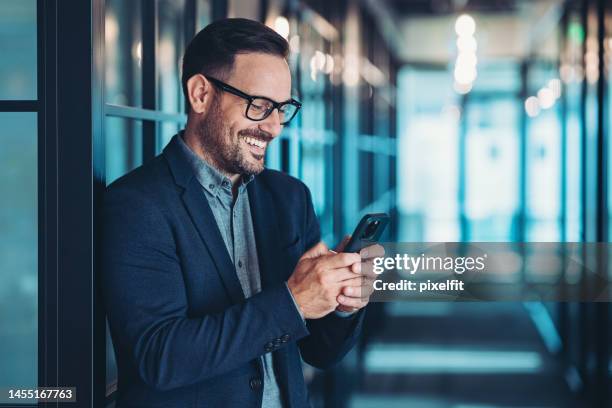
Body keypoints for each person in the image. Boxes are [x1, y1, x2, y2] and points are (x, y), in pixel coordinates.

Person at [102, 18, 378, 408]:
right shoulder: (137, 204)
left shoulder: (289, 197)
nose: (274, 127)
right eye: (260, 105)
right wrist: (294, 301)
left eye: (282, 108)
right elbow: (159, 357)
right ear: (200, 94)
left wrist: (344, 300)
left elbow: (320, 352)